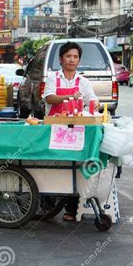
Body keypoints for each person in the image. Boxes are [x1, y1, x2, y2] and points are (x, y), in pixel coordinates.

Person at [43, 41, 99, 222]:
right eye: (68, 56)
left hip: (75, 130)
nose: (72, 60)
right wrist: (68, 96)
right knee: (51, 163)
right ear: (61, 59)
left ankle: (71, 208)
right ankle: (48, 202)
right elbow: (49, 98)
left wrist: (95, 103)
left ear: (79, 60)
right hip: (55, 128)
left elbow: (93, 99)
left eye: (75, 57)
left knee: (73, 165)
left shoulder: (83, 82)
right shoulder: (53, 77)